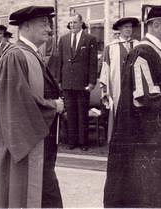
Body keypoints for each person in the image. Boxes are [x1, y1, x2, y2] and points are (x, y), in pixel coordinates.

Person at [104, 5, 161, 208]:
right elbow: (146, 97)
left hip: (159, 133)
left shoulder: (158, 51)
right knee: (149, 193)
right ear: (155, 25)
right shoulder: (143, 52)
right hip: (147, 137)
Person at [0, 5, 64, 208]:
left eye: (49, 25)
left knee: (46, 192)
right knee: (36, 193)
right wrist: (52, 106)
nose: (49, 29)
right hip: (28, 139)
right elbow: (16, 102)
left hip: (39, 136)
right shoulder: (16, 56)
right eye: (44, 24)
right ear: (27, 26)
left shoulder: (31, 54)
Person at [58, 13, 98, 151]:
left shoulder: (90, 39)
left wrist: (92, 82)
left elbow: (93, 62)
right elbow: (60, 62)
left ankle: (83, 142)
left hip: (83, 83)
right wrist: (59, 81)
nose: (72, 25)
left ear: (81, 23)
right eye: (71, 23)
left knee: (82, 113)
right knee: (71, 113)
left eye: (75, 22)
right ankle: (72, 141)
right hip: (67, 83)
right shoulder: (63, 39)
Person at [99, 17, 139, 142]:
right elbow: (105, 69)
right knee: (118, 111)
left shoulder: (138, 45)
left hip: (135, 86)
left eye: (130, 27)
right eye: (126, 27)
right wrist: (105, 89)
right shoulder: (111, 47)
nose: (128, 29)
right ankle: (119, 141)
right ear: (120, 29)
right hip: (118, 87)